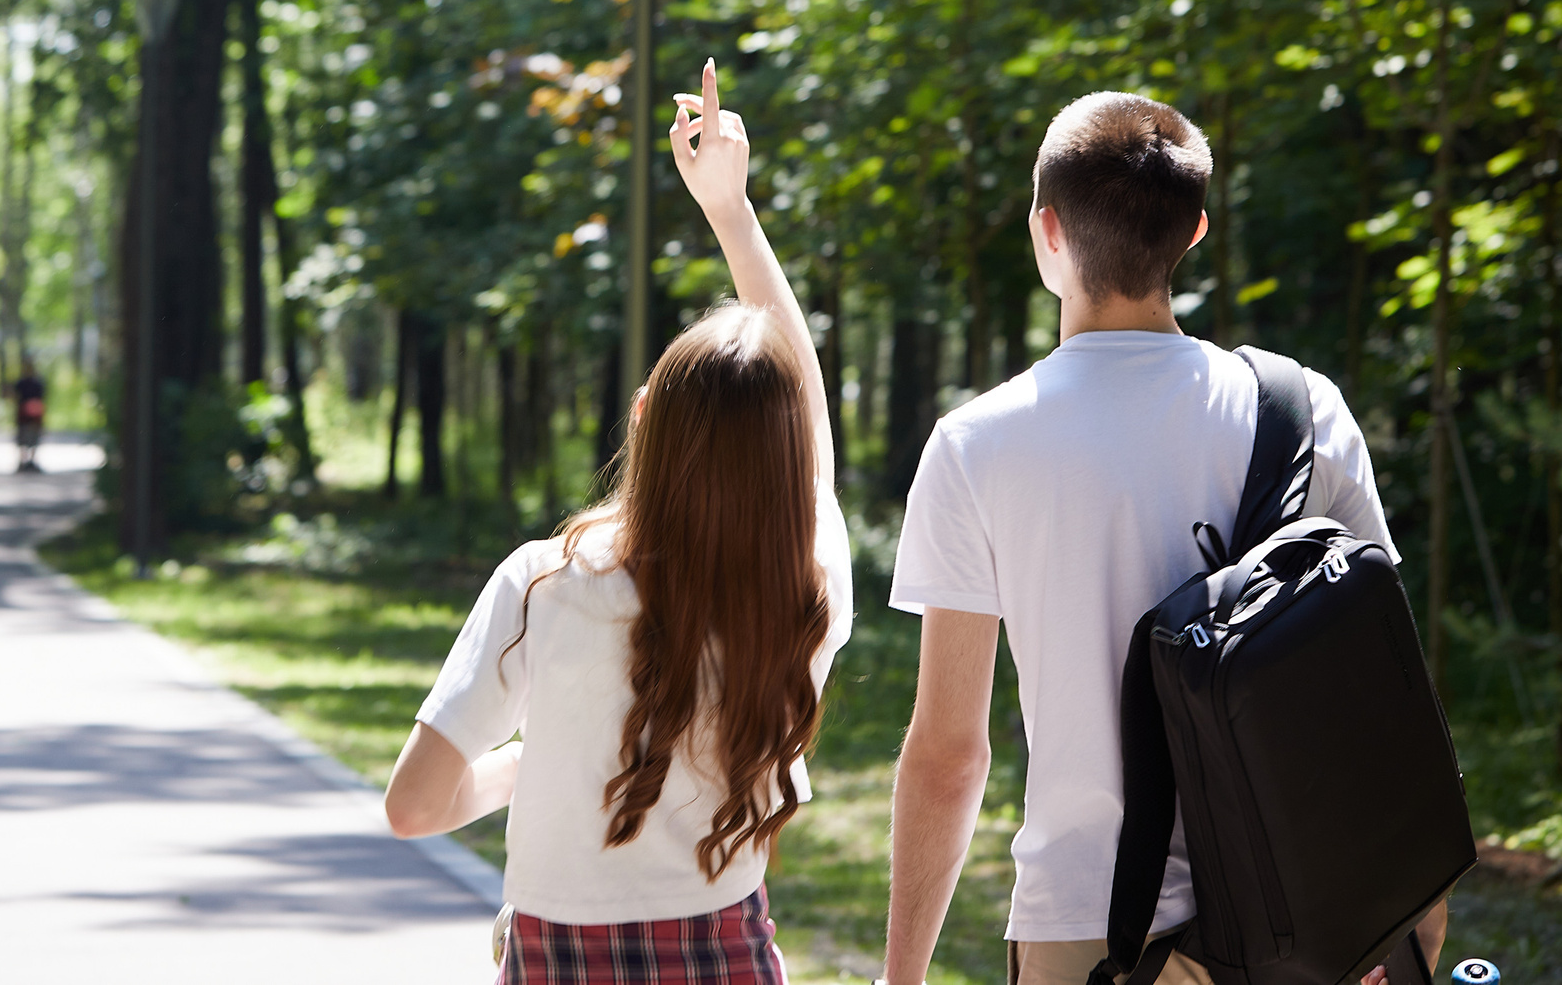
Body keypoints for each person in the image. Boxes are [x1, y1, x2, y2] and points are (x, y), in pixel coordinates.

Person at [879, 92, 1445, 985]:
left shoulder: (976, 444)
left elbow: (951, 754)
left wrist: (901, 975)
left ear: (1047, 230)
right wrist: (1408, 910)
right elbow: (1387, 680)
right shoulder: (1302, 410)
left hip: (1090, 929)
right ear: (1194, 232)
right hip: (1299, 922)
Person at [385, 60, 851, 984]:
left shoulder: (543, 581)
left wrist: (521, 768)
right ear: (791, 461)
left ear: (643, 418)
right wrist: (733, 211)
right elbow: (811, 418)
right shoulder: (803, 590)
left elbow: (414, 807)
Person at [11, 356, 47, 474]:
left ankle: (32, 460)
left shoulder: (38, 383)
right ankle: (23, 461)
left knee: (34, 437)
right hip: (23, 415)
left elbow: (42, 400)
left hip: (35, 414)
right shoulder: (21, 383)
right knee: (23, 437)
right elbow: (15, 397)